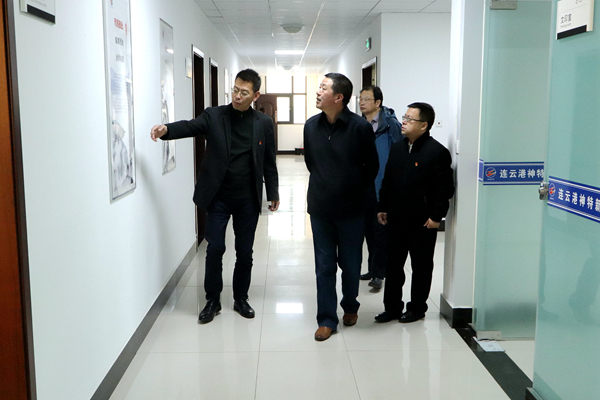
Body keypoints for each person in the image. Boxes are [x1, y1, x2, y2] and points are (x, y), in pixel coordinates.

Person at [150, 69, 280, 324]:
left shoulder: (263, 123)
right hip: (218, 196)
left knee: (245, 252)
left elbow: (269, 160)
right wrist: (167, 130)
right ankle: (212, 300)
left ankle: (241, 298)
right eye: (235, 90)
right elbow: (191, 126)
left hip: (248, 199)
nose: (237, 96)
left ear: (256, 95)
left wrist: (273, 192)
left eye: (244, 93)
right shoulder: (214, 115)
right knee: (215, 248)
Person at [304, 73, 379, 341]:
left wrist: (349, 189)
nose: (318, 92)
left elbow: (371, 168)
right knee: (324, 266)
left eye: (323, 88)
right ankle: (326, 318)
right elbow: (311, 163)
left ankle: (350, 305)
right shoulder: (311, 126)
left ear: (338, 97)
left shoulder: (359, 128)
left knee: (350, 263)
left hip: (352, 211)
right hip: (321, 209)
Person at [375, 102, 454, 324]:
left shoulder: (437, 152)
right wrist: (383, 206)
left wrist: (436, 216)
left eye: (410, 119)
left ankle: (417, 308)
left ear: (424, 125)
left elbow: (444, 189)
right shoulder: (397, 148)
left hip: (422, 221)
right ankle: (392, 308)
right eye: (405, 117)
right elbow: (387, 180)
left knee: (421, 267)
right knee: (393, 266)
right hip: (395, 218)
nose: (404, 122)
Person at [358, 85, 402, 290]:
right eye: (360, 99)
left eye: (366, 99)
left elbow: (399, 154)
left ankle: (379, 273)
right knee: (369, 231)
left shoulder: (390, 125)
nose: (362, 102)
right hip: (364, 187)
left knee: (381, 233)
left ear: (378, 102)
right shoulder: (360, 124)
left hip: (382, 187)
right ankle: (372, 268)